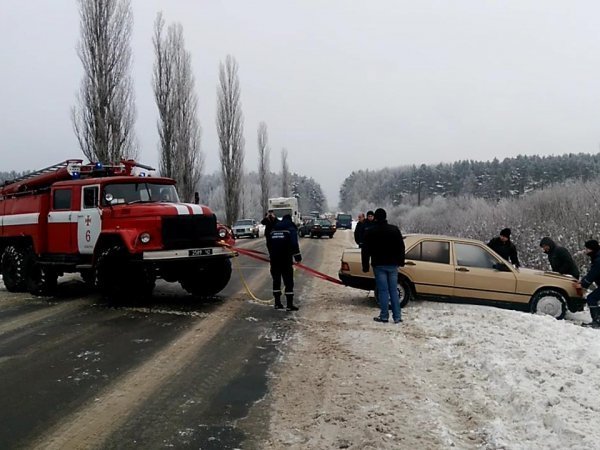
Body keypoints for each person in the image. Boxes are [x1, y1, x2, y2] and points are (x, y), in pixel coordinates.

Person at [361, 208, 405, 324]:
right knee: (393, 290)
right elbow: (401, 247)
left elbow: (365, 250)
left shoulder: (370, 231)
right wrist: (401, 261)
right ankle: (397, 317)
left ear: (375, 217)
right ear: (385, 217)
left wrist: (365, 266)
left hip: (379, 265)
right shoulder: (394, 230)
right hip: (393, 265)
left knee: (383, 291)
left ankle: (384, 316)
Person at [269, 214, 302, 311]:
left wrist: (272, 255)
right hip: (286, 260)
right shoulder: (290, 229)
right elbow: (294, 244)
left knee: (276, 281)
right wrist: (298, 257)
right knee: (288, 282)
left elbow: (269, 244)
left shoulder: (274, 230)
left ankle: (277, 303)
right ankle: (289, 304)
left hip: (274, 260)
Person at [574, 240, 600, 328]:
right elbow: (591, 273)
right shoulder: (596, 257)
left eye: (587, 249)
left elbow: (593, 274)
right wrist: (582, 281)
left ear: (593, 249)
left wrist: (582, 284)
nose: (586, 251)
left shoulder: (598, 260)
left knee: (591, 298)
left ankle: (597, 321)